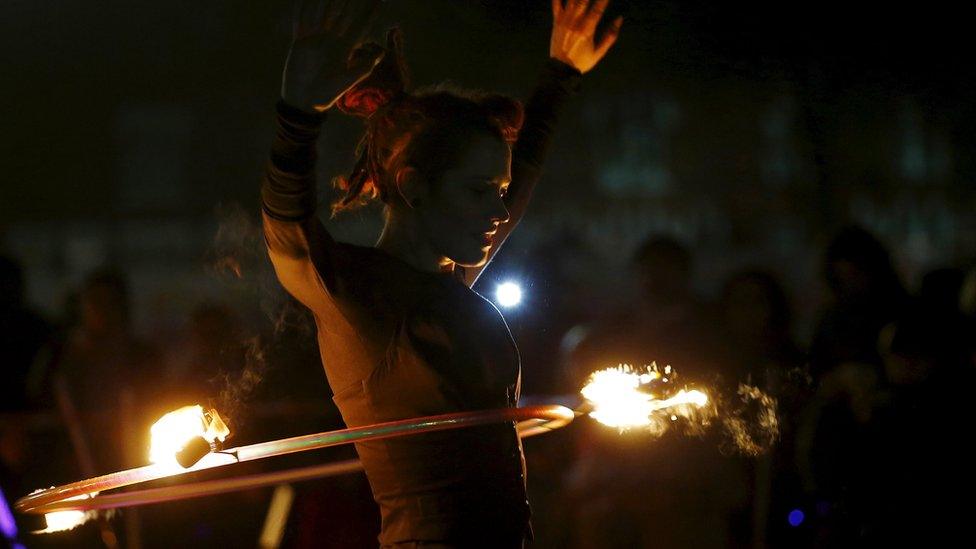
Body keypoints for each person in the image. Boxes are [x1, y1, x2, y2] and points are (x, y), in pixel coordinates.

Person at [260, 0, 621, 546]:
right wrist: (297, 115)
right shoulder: (359, 296)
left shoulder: (449, 279)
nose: (498, 212)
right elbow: (288, 234)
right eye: (478, 192)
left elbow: (519, 177)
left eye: (496, 193)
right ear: (413, 186)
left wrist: (562, 72)